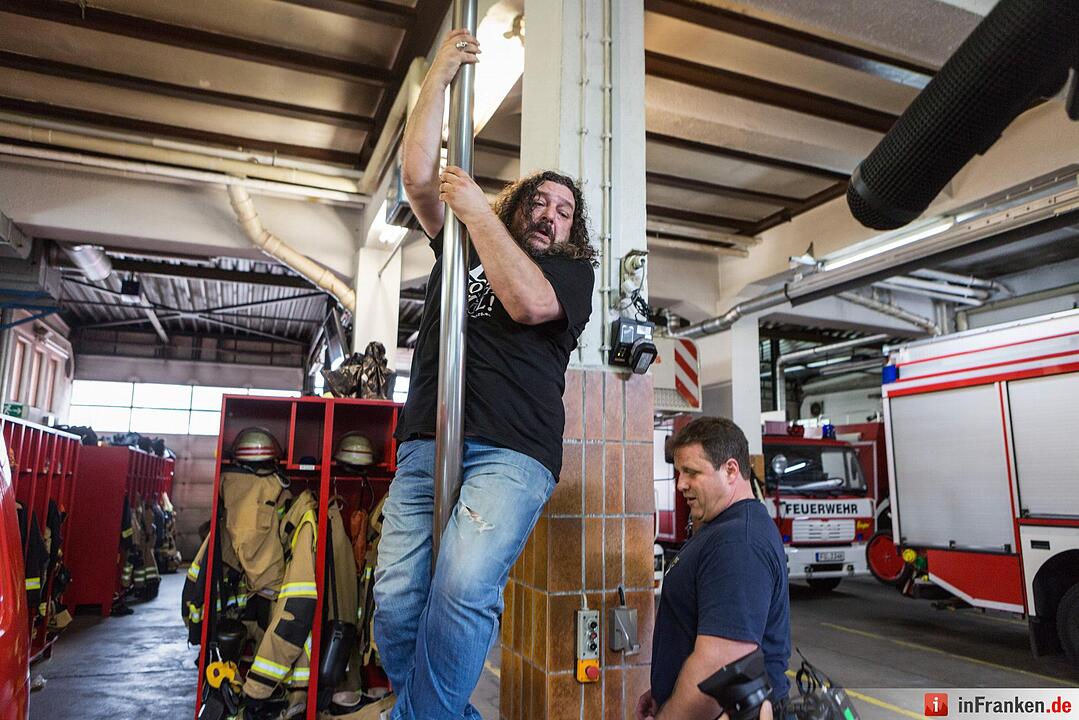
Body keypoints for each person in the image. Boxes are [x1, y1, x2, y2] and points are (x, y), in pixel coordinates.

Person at [371, 27, 597, 720]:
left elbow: (528, 304)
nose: (550, 216)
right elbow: (417, 178)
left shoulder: (570, 275)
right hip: (426, 439)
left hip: (511, 450)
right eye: (539, 201)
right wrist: (437, 77)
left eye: (564, 211)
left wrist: (475, 211)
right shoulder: (464, 244)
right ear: (516, 205)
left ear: (572, 232)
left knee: (464, 587)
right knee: (396, 597)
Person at [637, 417, 791, 720]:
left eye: (692, 472)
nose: (681, 484)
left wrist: (670, 715)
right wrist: (665, 692)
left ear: (731, 470)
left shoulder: (738, 542)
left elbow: (720, 666)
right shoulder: (723, 527)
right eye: (679, 472)